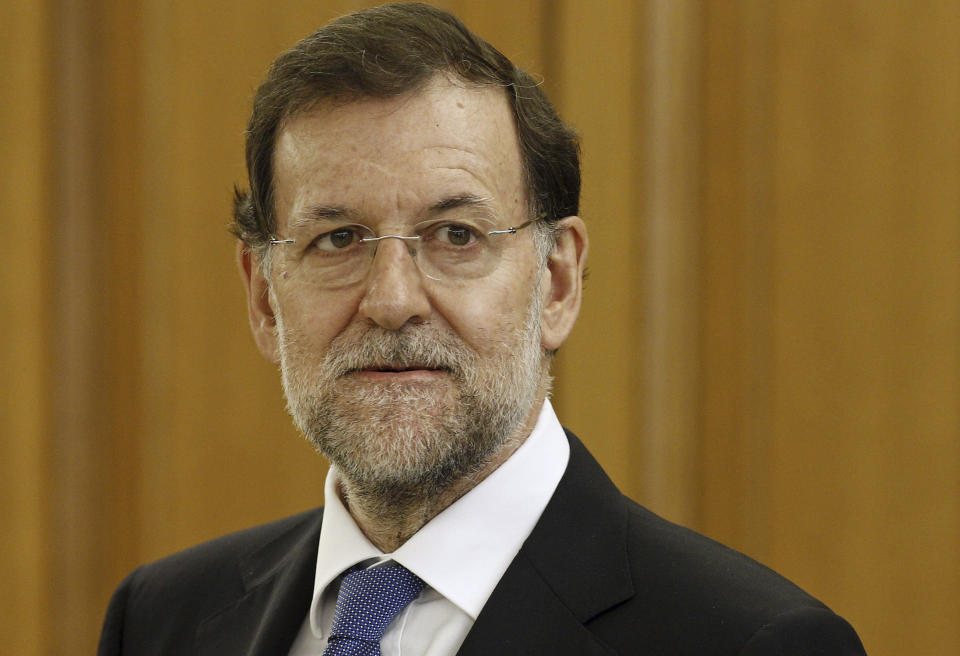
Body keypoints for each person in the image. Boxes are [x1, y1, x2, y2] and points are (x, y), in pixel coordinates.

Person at [98, 3, 866, 654]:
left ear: (556, 282)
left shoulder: (751, 642)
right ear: (265, 300)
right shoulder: (163, 621)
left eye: (455, 235)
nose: (392, 300)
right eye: (337, 240)